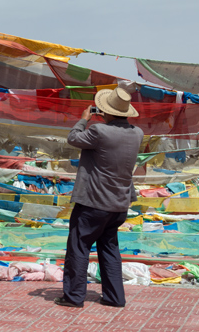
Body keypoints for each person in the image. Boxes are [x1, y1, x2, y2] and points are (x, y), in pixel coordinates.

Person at [55, 87, 143, 309]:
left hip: (94, 202)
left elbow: (74, 138)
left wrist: (83, 120)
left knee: (79, 246)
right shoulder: (137, 133)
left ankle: (74, 296)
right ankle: (115, 297)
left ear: (105, 111)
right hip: (119, 205)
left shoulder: (99, 131)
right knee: (110, 248)